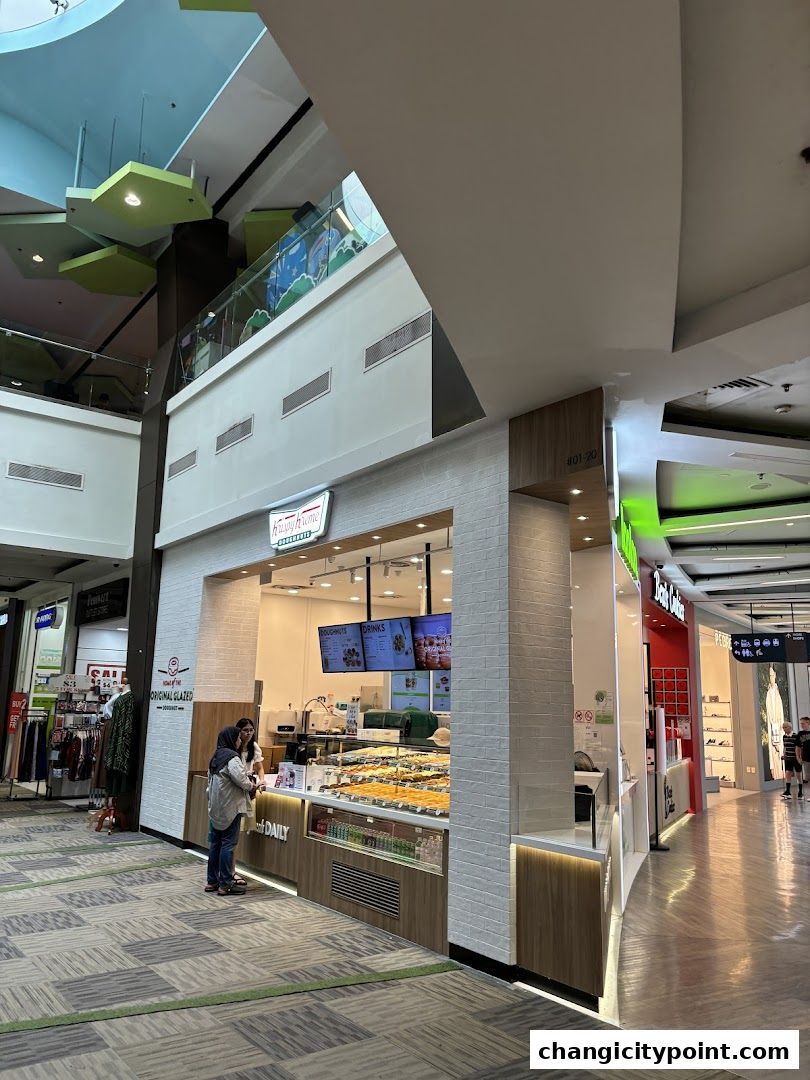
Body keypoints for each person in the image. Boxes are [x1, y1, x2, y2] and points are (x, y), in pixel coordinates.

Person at [206, 726, 256, 895]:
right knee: (228, 844)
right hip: (231, 807)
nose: (239, 740)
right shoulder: (232, 758)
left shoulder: (216, 756)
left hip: (216, 807)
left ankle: (212, 881)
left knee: (215, 844)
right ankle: (225, 884)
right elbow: (242, 781)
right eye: (237, 738)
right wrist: (252, 785)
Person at [235, 717, 264, 833]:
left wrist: (261, 780)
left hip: (250, 783)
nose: (249, 733)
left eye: (251, 730)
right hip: (237, 781)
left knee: (247, 817)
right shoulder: (235, 746)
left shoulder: (254, 747)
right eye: (245, 730)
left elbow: (260, 767)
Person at [780, 721, 802, 801]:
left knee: (798, 775)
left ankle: (800, 792)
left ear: (790, 727)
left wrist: (799, 758)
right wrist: (784, 754)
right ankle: (788, 792)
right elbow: (785, 746)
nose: (784, 729)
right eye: (783, 727)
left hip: (796, 758)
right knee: (788, 773)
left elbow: (799, 748)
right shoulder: (784, 737)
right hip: (788, 758)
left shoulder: (796, 736)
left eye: (785, 727)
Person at [797, 717, 810, 794]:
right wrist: (798, 757)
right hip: (806, 759)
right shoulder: (800, 734)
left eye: (803, 723)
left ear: (808, 723)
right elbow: (797, 747)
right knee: (808, 778)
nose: (801, 725)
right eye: (800, 723)